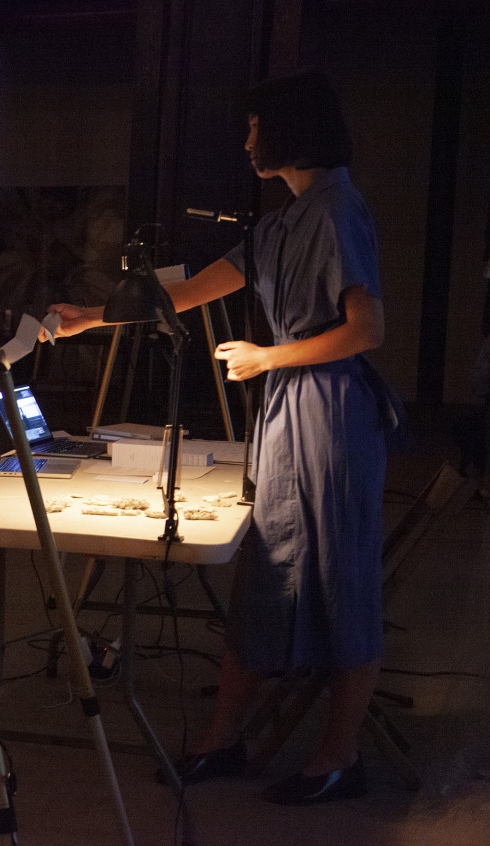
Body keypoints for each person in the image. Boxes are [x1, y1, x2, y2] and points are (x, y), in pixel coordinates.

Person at [45, 70, 391, 805]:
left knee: (340, 584)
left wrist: (268, 357)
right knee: (267, 578)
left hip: (330, 416)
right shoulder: (278, 224)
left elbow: (366, 329)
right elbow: (189, 291)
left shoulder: (336, 211)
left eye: (255, 126)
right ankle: (223, 738)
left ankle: (338, 755)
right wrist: (93, 316)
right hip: (293, 412)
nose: (246, 141)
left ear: (289, 132)